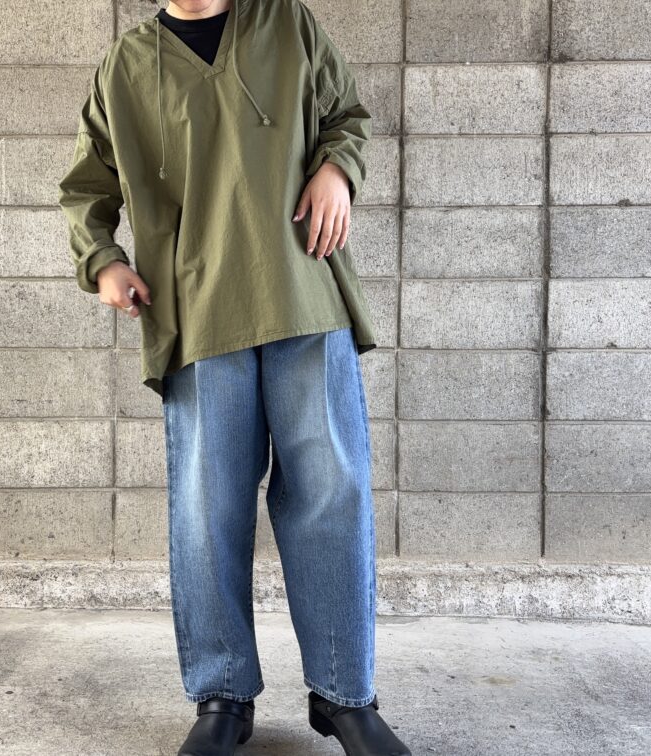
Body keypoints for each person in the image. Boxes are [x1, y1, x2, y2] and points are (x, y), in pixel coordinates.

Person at [58, 1, 411, 754]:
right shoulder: (127, 66)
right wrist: (104, 261)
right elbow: (87, 187)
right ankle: (221, 696)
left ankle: (345, 694)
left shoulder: (285, 24)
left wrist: (337, 171)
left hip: (304, 291)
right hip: (196, 312)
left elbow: (347, 116)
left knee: (332, 493)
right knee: (207, 507)